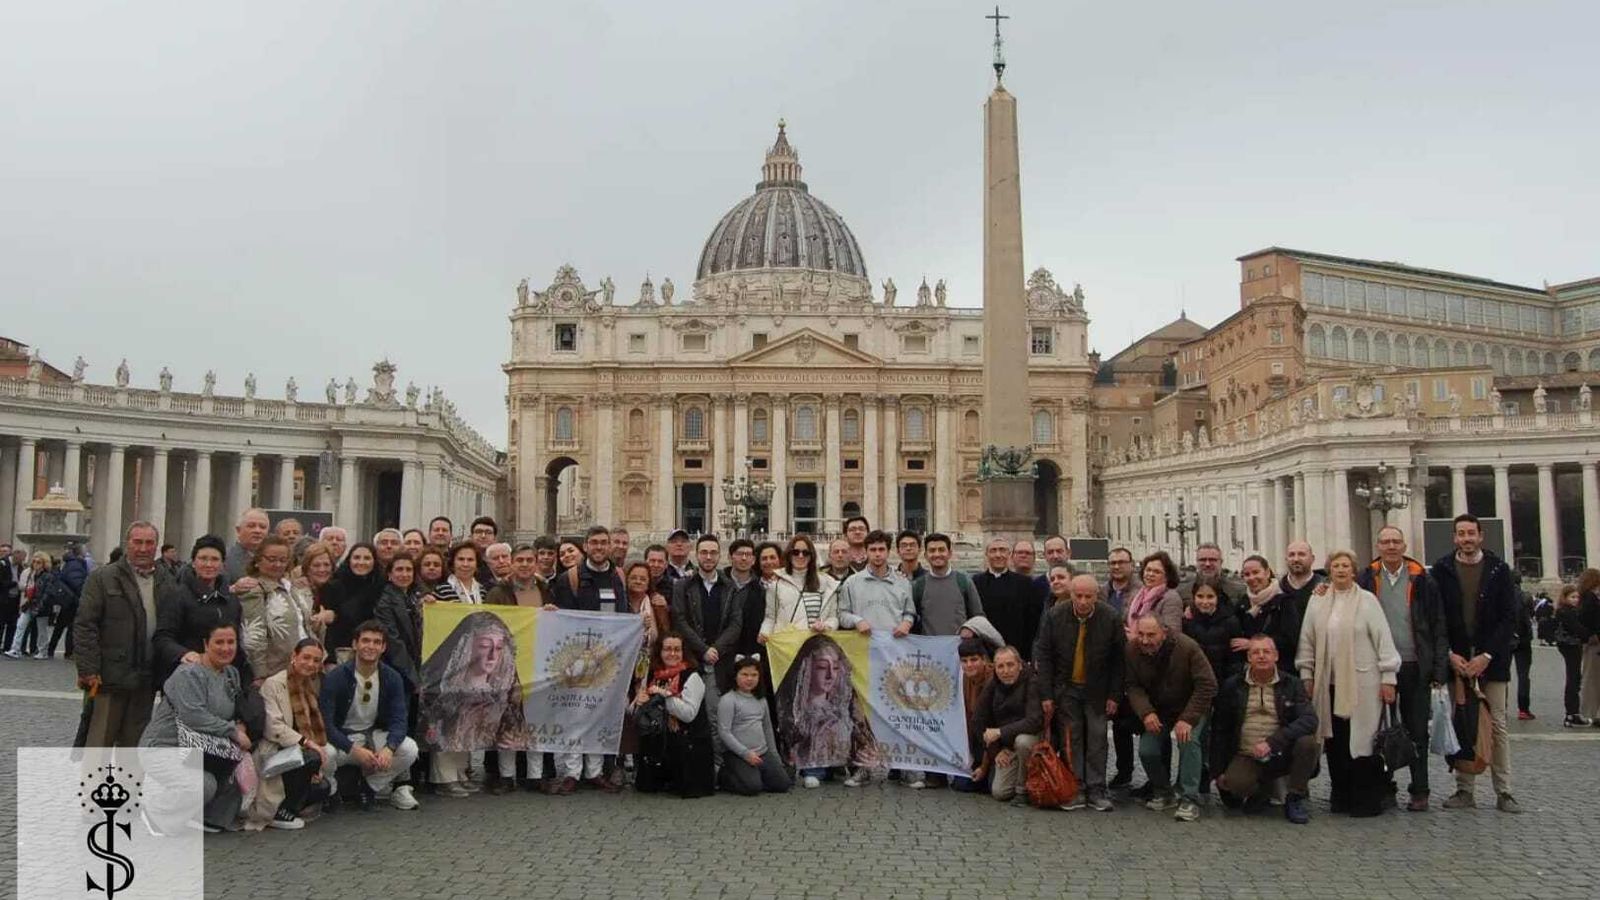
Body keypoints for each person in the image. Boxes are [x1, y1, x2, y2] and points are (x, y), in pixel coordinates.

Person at [1297, 549, 1400, 818]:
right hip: (1327, 684)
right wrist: (1306, 674)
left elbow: (1384, 641)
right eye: (1335, 566)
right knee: (1336, 739)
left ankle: (1366, 798)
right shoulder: (1317, 601)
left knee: (1363, 741)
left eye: (1346, 566)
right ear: (1329, 571)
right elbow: (1307, 640)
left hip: (1363, 683)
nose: (1341, 570)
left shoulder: (1367, 601)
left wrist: (1389, 677)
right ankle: (1340, 794)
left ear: (1354, 571)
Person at [1353, 525, 1449, 812]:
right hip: (1378, 666)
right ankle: (1385, 786)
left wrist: (1438, 670)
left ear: (1404, 545)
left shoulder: (1423, 580)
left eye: (1396, 541)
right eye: (1386, 542)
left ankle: (1420, 789)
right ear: (1378, 546)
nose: (1391, 546)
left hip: (1414, 664)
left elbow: (1437, 626)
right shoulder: (1366, 578)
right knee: (1381, 730)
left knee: (1417, 730)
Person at [1430, 514, 1520, 813]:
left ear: (1481, 536)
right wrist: (1449, 656)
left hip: (1491, 660)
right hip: (1457, 659)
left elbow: (1509, 618)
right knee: (1463, 723)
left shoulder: (1499, 570)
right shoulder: (1442, 570)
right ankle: (1464, 789)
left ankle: (1504, 791)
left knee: (1497, 724)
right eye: (1461, 534)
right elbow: (1436, 616)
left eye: (1471, 533)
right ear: (1454, 538)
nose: (1466, 539)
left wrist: (1488, 656)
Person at [137, 621, 250, 832]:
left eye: (231, 642)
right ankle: (155, 811)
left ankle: (203, 818)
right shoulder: (188, 674)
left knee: (233, 777)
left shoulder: (231, 673)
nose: (226, 648)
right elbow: (194, 716)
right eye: (219, 642)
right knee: (203, 785)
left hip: (203, 748)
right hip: (165, 747)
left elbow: (235, 708)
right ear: (206, 644)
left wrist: (240, 725)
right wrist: (232, 731)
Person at [1035, 571, 1123, 811]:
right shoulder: (1055, 615)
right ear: (1071, 594)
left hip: (1098, 689)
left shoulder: (1110, 617)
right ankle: (1076, 787)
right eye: (1078, 596)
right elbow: (1044, 656)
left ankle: (1096, 788)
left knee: (1097, 738)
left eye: (1088, 596)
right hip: (1066, 688)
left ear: (1097, 596)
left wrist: (1115, 695)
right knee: (1070, 738)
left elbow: (1119, 661)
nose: (1083, 602)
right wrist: (1047, 695)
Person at [1209, 634, 1319, 824]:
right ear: (1248, 658)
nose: (1261, 656)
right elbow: (1220, 729)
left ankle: (1294, 797)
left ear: (1275, 656)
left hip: (1281, 750)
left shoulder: (1292, 683)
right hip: (1246, 752)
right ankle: (1262, 791)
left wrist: (1272, 742)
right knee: (1236, 784)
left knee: (1308, 743)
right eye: (1255, 652)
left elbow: (1309, 719)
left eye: (1266, 652)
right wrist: (1218, 771)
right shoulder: (1233, 685)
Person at [548, 526, 627, 789]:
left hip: (608, 656)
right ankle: (572, 770)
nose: (599, 547)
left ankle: (594, 771)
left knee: (600, 713)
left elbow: (623, 614)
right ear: (586, 546)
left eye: (604, 543)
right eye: (594, 543)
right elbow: (563, 621)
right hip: (577, 656)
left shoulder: (618, 576)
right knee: (574, 714)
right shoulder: (568, 579)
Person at [419, 610, 528, 797]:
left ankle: (460, 773)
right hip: (452, 701)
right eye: (485, 646)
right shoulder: (448, 678)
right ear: (468, 646)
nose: (493, 655)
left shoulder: (497, 683)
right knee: (448, 727)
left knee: (466, 736)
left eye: (500, 648)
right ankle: (445, 778)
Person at [76, 521, 165, 747]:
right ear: (127, 544)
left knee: (132, 742)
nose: (143, 548)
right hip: (109, 675)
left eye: (149, 543)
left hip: (147, 676)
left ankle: (124, 783)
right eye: (138, 542)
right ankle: (94, 783)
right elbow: (85, 625)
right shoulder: (102, 577)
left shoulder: (167, 579)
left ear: (156, 546)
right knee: (100, 740)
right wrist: (88, 668)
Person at [1125, 613, 1216, 822]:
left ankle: (1189, 798)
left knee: (1188, 741)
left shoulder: (1188, 647)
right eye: (1140, 634)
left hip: (1192, 706)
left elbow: (1207, 685)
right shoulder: (1131, 650)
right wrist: (1146, 712)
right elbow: (1132, 685)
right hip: (1159, 710)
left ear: (1163, 633)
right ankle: (1163, 791)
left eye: (1151, 635)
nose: (1145, 641)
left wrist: (1188, 718)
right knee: (1147, 750)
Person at [322, 621, 421, 810]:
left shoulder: (392, 677)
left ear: (383, 647)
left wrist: (389, 748)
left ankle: (369, 787)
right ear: (355, 644)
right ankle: (331, 792)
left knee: (409, 748)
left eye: (377, 642)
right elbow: (326, 724)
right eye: (365, 641)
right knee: (325, 753)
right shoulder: (336, 677)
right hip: (342, 740)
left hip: (372, 736)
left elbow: (399, 719)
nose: (370, 646)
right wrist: (352, 748)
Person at [247, 638, 336, 831]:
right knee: (312, 756)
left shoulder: (311, 685)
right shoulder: (274, 684)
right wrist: (306, 742)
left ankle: (292, 805)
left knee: (324, 786)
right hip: (275, 751)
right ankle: (281, 811)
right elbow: (273, 727)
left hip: (298, 752)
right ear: (294, 656)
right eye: (306, 657)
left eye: (316, 660)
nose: (311, 664)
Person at [669, 534, 742, 761]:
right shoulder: (683, 586)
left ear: (719, 556)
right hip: (692, 658)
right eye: (704, 552)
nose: (708, 557)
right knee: (689, 712)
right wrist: (703, 649)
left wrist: (715, 649)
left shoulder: (730, 587)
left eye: (712, 552)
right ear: (696, 554)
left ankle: (717, 763)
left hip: (717, 660)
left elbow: (735, 623)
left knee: (714, 713)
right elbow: (679, 620)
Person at [774, 633, 877, 782]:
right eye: (822, 667)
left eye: (835, 668)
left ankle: (838, 768)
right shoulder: (794, 706)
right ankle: (813, 771)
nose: (830, 675)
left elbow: (864, 738)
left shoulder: (846, 702)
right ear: (807, 668)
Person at [153, 535, 251, 688]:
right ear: (193, 563)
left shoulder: (231, 600)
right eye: (203, 558)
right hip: (189, 678)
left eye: (214, 559)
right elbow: (162, 638)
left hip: (225, 680)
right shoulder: (177, 596)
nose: (208, 564)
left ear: (222, 565)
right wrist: (183, 654)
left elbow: (236, 642)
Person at [634, 633, 714, 798]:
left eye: (677, 649)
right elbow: (638, 715)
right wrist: (638, 703)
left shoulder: (693, 676)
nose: (672, 654)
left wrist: (664, 696)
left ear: (683, 652)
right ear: (660, 652)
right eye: (667, 649)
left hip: (688, 742)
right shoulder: (653, 676)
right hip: (660, 739)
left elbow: (689, 714)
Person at [236, 536, 317, 681]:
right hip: (274, 673)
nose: (278, 564)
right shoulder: (254, 590)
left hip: (304, 670)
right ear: (258, 560)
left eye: (283, 560)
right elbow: (253, 635)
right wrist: (260, 673)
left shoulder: (292, 587)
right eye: (272, 559)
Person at [972, 645, 1043, 806]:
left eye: (1010, 665)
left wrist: (1000, 732)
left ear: (1019, 664)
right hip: (1007, 745)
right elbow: (978, 720)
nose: (1006, 671)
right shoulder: (994, 684)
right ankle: (1020, 774)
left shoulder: (1032, 681)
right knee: (999, 792)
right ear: (995, 668)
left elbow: (1034, 721)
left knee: (1023, 741)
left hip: (1033, 739)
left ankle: (1022, 791)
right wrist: (995, 752)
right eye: (1001, 666)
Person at [717, 655, 791, 795]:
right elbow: (724, 732)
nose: (749, 679)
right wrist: (745, 753)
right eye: (744, 674)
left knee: (783, 784)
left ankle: (757, 774)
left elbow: (767, 728)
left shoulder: (761, 699)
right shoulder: (728, 700)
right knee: (752, 788)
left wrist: (775, 757)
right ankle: (724, 775)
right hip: (738, 754)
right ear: (735, 676)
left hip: (762, 752)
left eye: (754, 675)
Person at [973, 538, 1044, 661]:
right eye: (993, 551)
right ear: (986, 554)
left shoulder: (1024, 583)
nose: (998, 555)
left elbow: (1032, 623)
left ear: (1009, 554)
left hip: (1017, 651)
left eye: (1002, 550)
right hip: (984, 652)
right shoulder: (975, 582)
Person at [761, 534, 839, 641]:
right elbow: (770, 617)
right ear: (789, 555)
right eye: (795, 552)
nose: (800, 556)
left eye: (805, 553)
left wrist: (826, 626)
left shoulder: (828, 583)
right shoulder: (776, 583)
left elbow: (833, 617)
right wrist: (764, 632)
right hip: (786, 646)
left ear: (811, 556)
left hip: (817, 646)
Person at [1234, 555, 1301, 674]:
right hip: (1250, 671)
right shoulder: (1242, 604)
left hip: (1280, 670)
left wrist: (1252, 644)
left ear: (1267, 572)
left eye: (1256, 572)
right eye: (1247, 574)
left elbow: (1291, 640)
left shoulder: (1285, 601)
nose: (1252, 577)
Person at [915, 533, 984, 638]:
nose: (937, 554)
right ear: (925, 555)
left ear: (950, 553)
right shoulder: (919, 585)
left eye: (941, 550)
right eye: (932, 550)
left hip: (959, 649)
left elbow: (978, 615)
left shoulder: (963, 581)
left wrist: (970, 629)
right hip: (929, 649)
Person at [954, 638, 994, 792]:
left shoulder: (993, 681)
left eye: (974, 660)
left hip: (994, 745)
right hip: (976, 744)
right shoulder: (965, 678)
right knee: (961, 783)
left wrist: (984, 767)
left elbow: (991, 725)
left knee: (993, 787)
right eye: (964, 661)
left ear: (984, 659)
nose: (969, 665)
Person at [1183, 580, 1241, 686]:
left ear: (1218, 597)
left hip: (1222, 680)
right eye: (1200, 596)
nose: (1205, 602)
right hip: (1195, 680)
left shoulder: (1230, 621)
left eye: (1210, 597)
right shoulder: (1187, 621)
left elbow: (1235, 659)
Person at [1552, 582, 1592, 727]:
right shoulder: (1566, 612)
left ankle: (1572, 713)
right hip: (1570, 645)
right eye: (1572, 597)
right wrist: (1590, 635)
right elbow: (1577, 629)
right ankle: (1572, 714)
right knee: (1573, 678)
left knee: (1574, 677)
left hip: (1570, 644)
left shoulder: (1566, 610)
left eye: (1577, 597)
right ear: (1565, 597)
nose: (1575, 600)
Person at [4, 550, 51, 658]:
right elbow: (26, 587)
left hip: (40, 605)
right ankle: (15, 649)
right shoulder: (31, 573)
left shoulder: (47, 576)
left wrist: (40, 604)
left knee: (41, 629)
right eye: (34, 561)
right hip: (29, 603)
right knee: (20, 625)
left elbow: (47, 593)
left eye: (39, 562)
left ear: (44, 563)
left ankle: (43, 651)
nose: (35, 564)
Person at [1125, 552, 1183, 636]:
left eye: (1157, 572)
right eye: (1148, 570)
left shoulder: (1171, 598)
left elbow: (1172, 632)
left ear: (1167, 577)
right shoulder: (1136, 594)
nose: (1150, 574)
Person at [1180, 542, 1246, 605]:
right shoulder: (1183, 592)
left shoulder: (1238, 592)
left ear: (1221, 562)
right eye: (1203, 560)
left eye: (1212, 560)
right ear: (1196, 562)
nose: (1207, 564)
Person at [224, 508, 271, 585]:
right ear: (238, 530)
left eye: (262, 527)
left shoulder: (275, 560)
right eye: (251, 526)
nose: (257, 531)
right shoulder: (225, 558)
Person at [1279, 541, 1323, 616]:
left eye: (1301, 554)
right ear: (1286, 559)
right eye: (1291, 555)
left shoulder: (1323, 588)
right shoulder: (1278, 589)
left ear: (1312, 559)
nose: (1296, 559)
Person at [1579, 568, 1600, 725]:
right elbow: (1589, 620)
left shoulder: (1586, 598)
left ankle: (1591, 712)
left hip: (1592, 642)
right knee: (1591, 679)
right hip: (1594, 643)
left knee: (1592, 679)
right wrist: (1593, 635)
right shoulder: (1590, 599)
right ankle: (1590, 713)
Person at [1513, 579, 1536, 720]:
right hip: (1524, 639)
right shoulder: (1526, 596)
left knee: (1502, 677)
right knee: (1523, 676)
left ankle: (1501, 707)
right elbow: (1531, 614)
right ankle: (1523, 709)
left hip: (1506, 639)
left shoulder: (1502, 595)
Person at [1102, 547, 1136, 615]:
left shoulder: (1142, 593)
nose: (1116, 567)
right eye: (1113, 563)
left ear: (1131, 564)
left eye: (1121, 562)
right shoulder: (1101, 593)